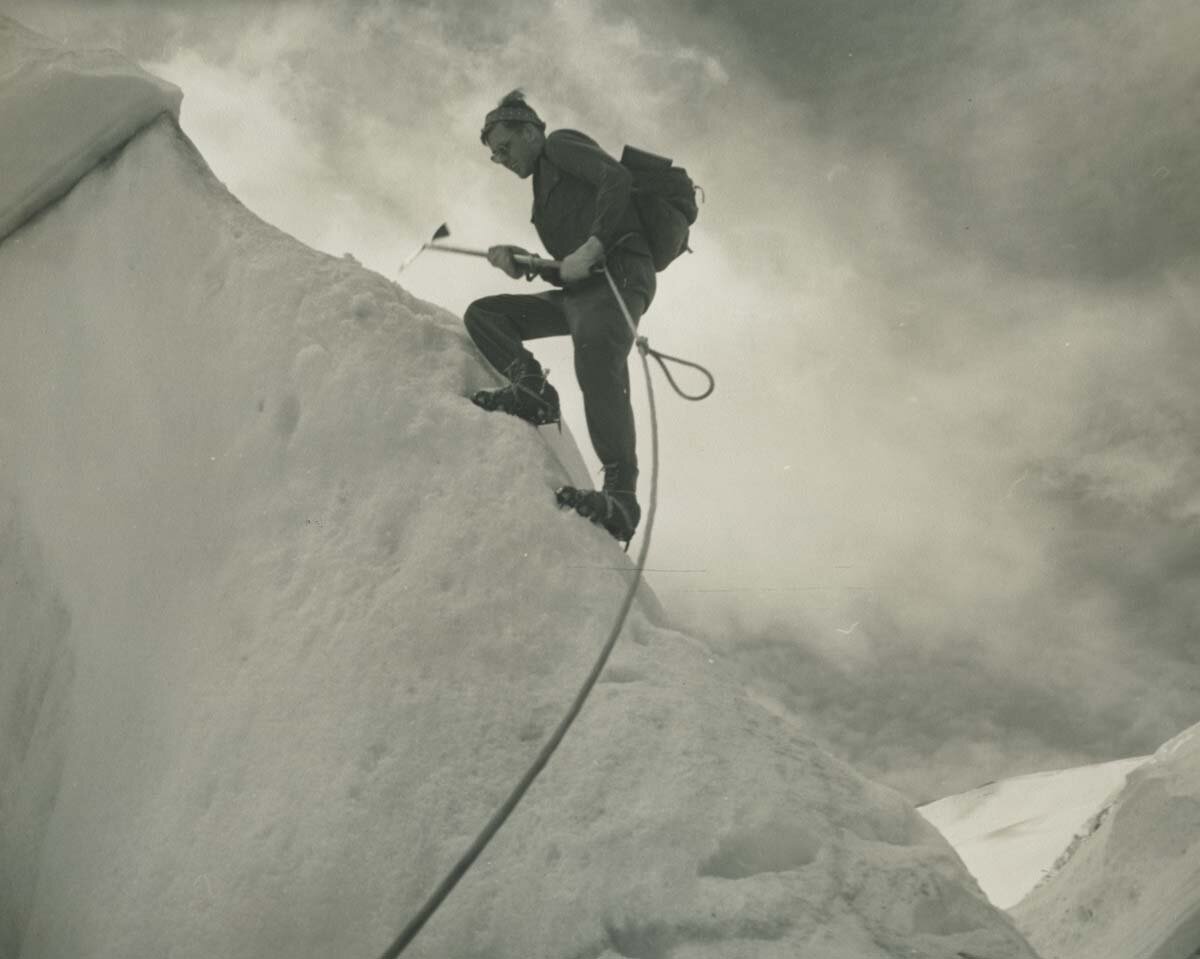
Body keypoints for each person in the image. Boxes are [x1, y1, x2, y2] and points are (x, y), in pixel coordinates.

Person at [463, 90, 656, 544]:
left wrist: (593, 245)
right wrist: (525, 262)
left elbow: (616, 178)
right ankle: (533, 390)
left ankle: (621, 497)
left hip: (618, 277)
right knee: (486, 314)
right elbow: (568, 265)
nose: (502, 160)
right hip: (581, 293)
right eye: (495, 157)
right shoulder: (542, 195)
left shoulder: (561, 145)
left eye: (505, 148)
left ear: (530, 131)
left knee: (594, 356)